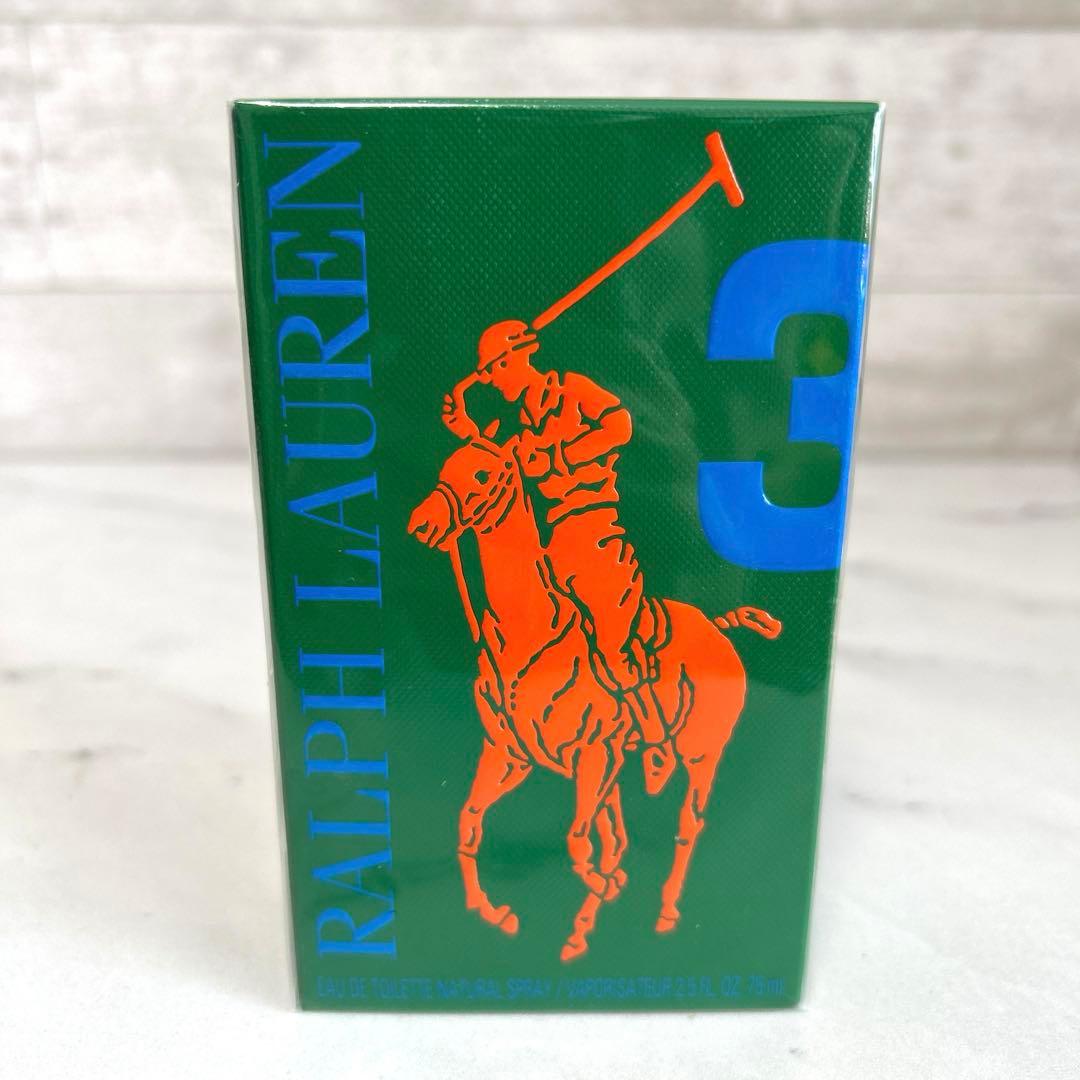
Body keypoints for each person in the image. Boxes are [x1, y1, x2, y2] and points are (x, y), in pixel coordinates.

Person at [443, 319, 675, 795]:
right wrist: (467, 430)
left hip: (594, 531)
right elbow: (494, 469)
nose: (492, 381)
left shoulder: (571, 390)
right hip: (552, 543)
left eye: (494, 370)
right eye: (485, 374)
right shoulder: (518, 427)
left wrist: (560, 455)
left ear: (516, 358)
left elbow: (620, 425)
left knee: (610, 638)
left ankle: (653, 733)